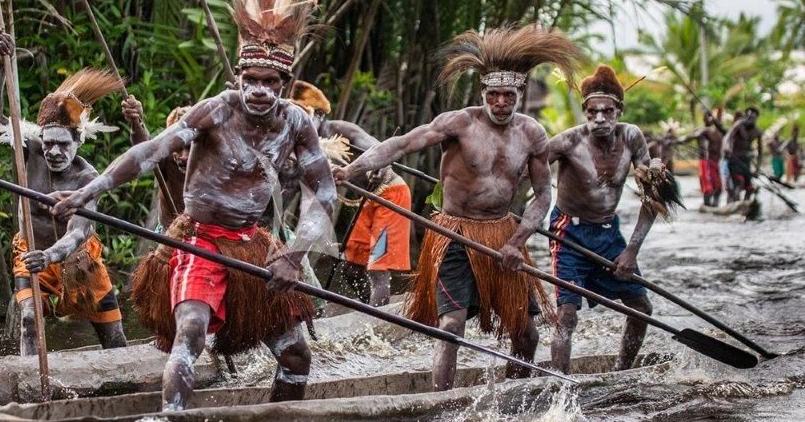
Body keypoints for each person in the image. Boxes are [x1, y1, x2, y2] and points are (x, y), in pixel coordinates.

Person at [52, 0, 336, 411]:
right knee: (190, 335)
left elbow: (324, 194)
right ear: (240, 78)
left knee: (297, 356)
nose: (259, 91)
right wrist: (90, 191)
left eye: (269, 83)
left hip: (253, 246)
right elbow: (151, 153)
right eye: (251, 81)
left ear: (283, 84)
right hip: (200, 241)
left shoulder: (297, 122)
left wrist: (295, 255)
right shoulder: (217, 111)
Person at [334, 25, 581, 388]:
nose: (500, 103)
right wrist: (352, 170)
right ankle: (440, 400)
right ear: (482, 92)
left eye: (508, 96)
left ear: (520, 93)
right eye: (494, 94)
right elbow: (400, 145)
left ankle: (516, 394)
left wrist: (517, 241)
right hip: (455, 234)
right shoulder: (459, 123)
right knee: (451, 326)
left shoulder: (531, 134)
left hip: (503, 236)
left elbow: (543, 194)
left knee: (526, 334)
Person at [0, 35, 128, 354]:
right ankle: (33, 384)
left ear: (79, 141)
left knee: (114, 340)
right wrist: (0, 70)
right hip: (31, 252)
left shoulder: (86, 177)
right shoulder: (30, 152)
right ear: (40, 138)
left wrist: (50, 255)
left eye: (63, 144)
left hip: (79, 259)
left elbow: (77, 232)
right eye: (48, 143)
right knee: (30, 321)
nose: (54, 151)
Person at [546, 65, 679, 373]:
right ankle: (558, 385)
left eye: (608, 111)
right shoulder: (566, 142)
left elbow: (652, 199)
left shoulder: (632, 138)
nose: (600, 119)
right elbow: (527, 172)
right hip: (569, 233)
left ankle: (622, 371)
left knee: (642, 308)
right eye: (593, 112)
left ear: (619, 110)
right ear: (584, 112)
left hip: (608, 233)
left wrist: (631, 250)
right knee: (567, 314)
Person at [290, 81, 411, 307]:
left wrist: (379, 166)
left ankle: (378, 318)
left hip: (390, 195)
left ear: (318, 115)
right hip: (364, 201)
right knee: (351, 266)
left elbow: (378, 148)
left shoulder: (342, 130)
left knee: (378, 267)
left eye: (304, 115)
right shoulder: (304, 141)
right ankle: (370, 309)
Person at [124, 102, 189, 230]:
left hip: (201, 240)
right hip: (168, 235)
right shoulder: (166, 157)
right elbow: (144, 150)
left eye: (189, 148)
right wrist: (137, 122)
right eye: (178, 148)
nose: (184, 156)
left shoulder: (209, 160)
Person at [682, 108, 726, 207]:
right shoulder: (700, 131)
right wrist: (677, 140)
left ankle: (715, 204)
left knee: (719, 186)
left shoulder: (719, 131)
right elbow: (689, 138)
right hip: (705, 161)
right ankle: (707, 204)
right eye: (706, 117)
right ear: (703, 119)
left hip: (718, 161)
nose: (708, 119)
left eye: (710, 117)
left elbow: (727, 134)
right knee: (708, 187)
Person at [723, 106, 763, 202]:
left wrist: (757, 168)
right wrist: (727, 147)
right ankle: (735, 204)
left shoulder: (757, 131)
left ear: (756, 118)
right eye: (748, 117)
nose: (750, 120)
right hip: (734, 159)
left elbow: (760, 151)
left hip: (746, 162)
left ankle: (745, 205)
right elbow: (728, 137)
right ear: (745, 116)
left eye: (752, 118)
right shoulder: (738, 125)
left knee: (749, 188)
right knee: (738, 183)